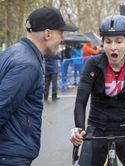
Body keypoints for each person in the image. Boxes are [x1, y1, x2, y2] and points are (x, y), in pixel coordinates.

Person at [70, 15, 125, 166]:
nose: (113, 47)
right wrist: (79, 129)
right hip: (97, 128)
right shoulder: (93, 65)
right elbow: (81, 100)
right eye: (108, 42)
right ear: (102, 43)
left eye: (118, 41)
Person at [0, 6, 77, 166]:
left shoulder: (13, 52)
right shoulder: (27, 64)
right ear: (48, 34)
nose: (62, 39)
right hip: (11, 155)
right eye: (61, 33)